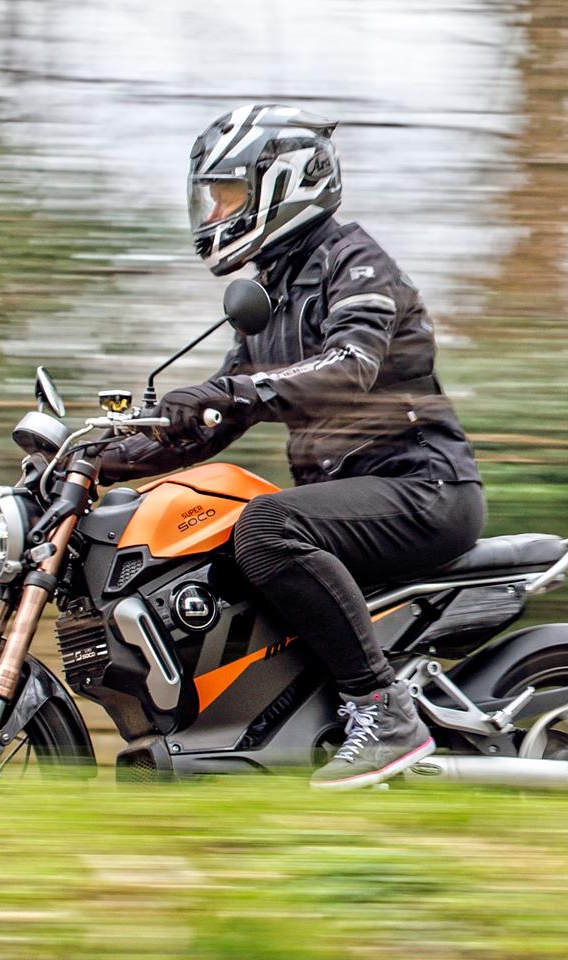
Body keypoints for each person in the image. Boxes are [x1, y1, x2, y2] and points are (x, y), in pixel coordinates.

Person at [100, 103, 484, 789]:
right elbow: (212, 420)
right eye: (212, 198)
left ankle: (383, 709)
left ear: (286, 185)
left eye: (229, 195)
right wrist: (94, 462)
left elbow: (351, 365)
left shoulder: (357, 264)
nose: (215, 213)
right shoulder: (270, 298)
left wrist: (228, 393)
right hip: (348, 500)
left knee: (265, 524)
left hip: (422, 487)